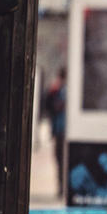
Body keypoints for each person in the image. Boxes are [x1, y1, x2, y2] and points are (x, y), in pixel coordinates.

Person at [44, 68, 67, 196]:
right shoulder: (56, 90)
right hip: (60, 130)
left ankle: (62, 186)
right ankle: (61, 186)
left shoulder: (61, 91)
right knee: (59, 158)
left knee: (61, 158)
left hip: (62, 130)